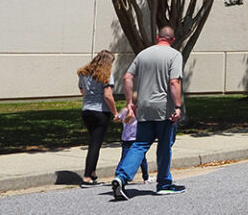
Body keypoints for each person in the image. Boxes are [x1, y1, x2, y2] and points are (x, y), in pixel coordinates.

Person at [111, 26, 185, 200]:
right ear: (172, 40)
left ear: (157, 37)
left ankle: (121, 178)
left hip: (144, 107)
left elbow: (127, 78)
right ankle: (164, 184)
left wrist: (130, 103)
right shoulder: (174, 55)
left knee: (140, 145)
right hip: (163, 108)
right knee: (164, 145)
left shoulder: (143, 54)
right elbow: (174, 82)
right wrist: (178, 106)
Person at [77, 50, 118, 187]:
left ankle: (92, 173)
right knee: (95, 145)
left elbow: (82, 90)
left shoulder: (83, 73)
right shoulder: (106, 76)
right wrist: (115, 112)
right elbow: (108, 95)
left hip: (86, 111)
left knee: (93, 141)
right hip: (101, 112)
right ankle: (87, 177)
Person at [114, 106, 149, 184]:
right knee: (142, 159)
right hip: (137, 138)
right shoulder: (141, 111)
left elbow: (116, 119)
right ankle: (146, 177)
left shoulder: (124, 111)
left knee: (124, 158)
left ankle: (118, 175)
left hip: (126, 139)